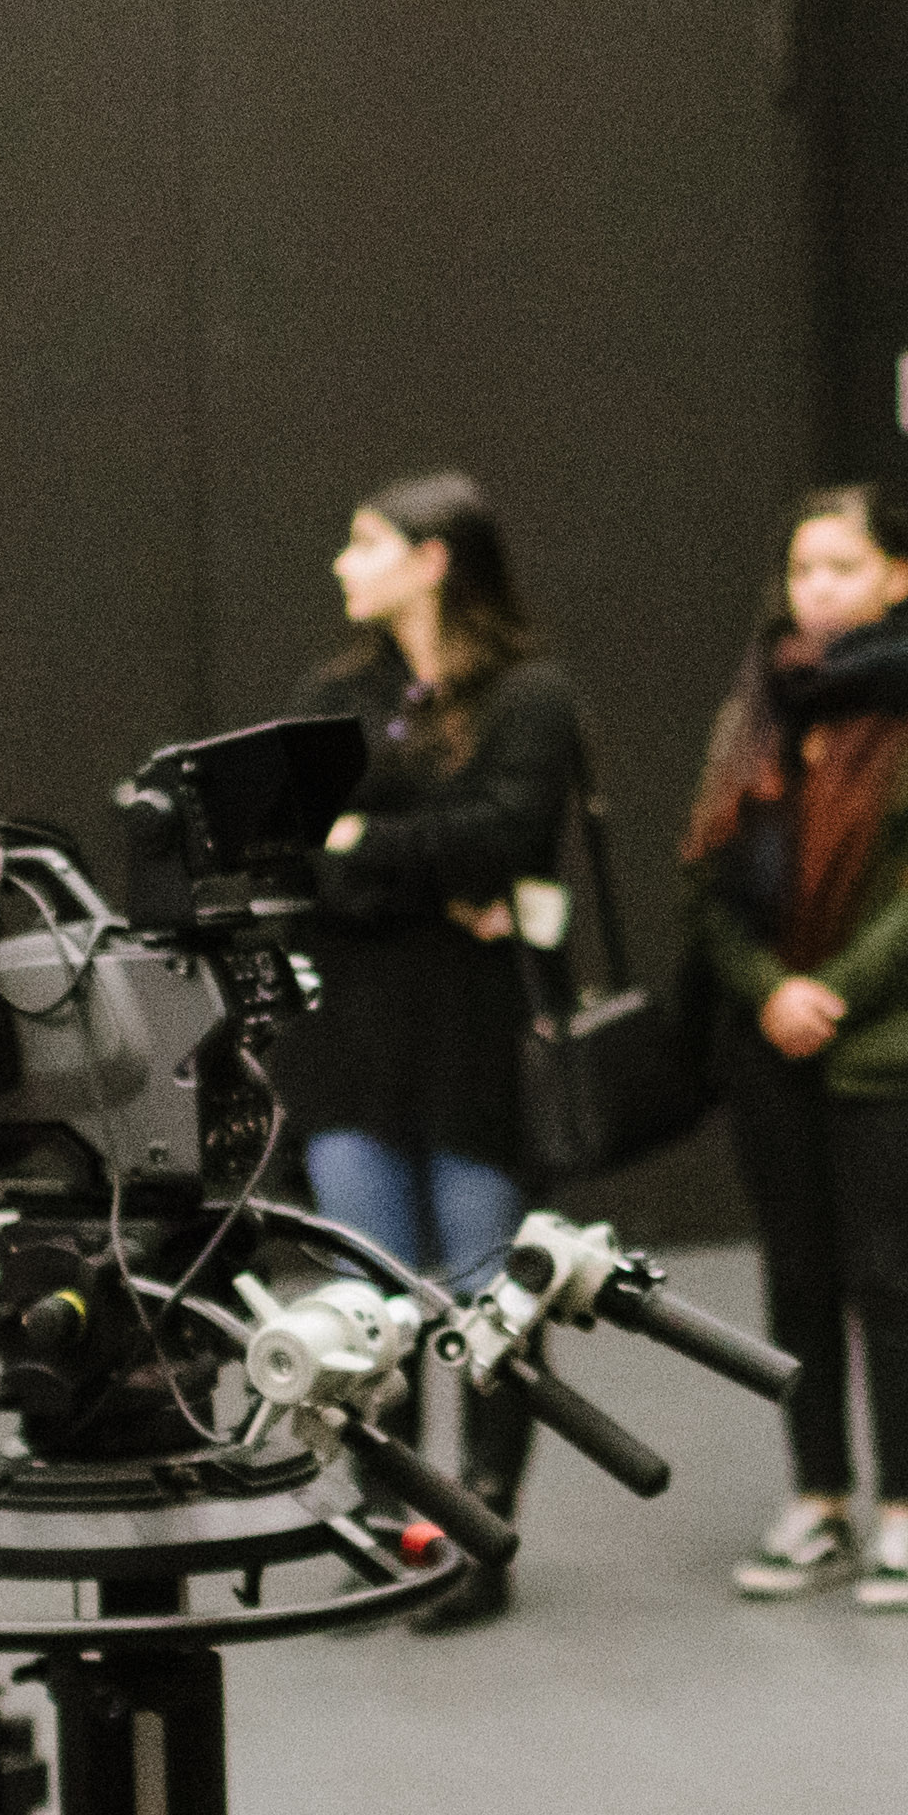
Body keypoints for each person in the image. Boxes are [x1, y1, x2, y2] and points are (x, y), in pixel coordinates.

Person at [681, 482, 908, 1609]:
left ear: (897, 579)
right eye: (803, 569)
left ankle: (906, 1513)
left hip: (892, 1051)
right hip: (771, 1044)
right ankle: (817, 1498)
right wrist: (772, 990)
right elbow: (709, 882)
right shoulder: (759, 708)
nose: (816, 589)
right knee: (796, 1277)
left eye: (842, 568)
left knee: (890, 1276)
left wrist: (832, 992)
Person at [284, 472, 587, 1620]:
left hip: (474, 1032)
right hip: (352, 1033)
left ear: (433, 559)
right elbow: (298, 854)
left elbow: (509, 833)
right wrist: (424, 869)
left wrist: (365, 842)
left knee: (483, 1294)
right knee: (366, 1295)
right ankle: (389, 1520)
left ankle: (480, 1530)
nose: (341, 563)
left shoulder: (530, 694)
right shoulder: (334, 696)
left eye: (365, 543)